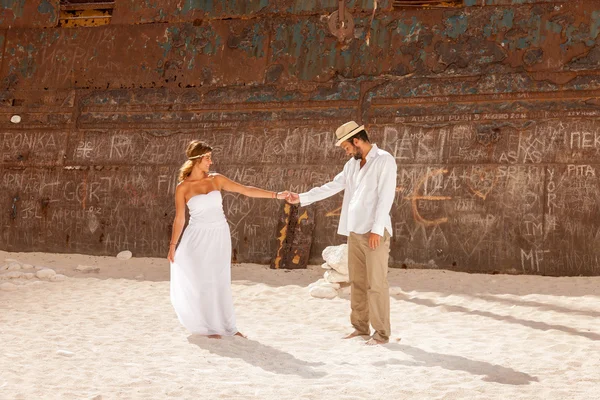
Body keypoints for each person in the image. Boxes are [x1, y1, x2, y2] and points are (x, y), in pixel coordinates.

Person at [288, 121, 397, 345]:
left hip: (375, 231)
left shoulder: (384, 160)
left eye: (346, 147)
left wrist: (377, 229)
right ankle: (360, 327)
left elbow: (386, 197)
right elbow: (332, 186)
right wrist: (301, 198)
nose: (346, 151)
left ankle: (382, 333)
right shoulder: (351, 165)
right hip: (355, 232)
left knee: (376, 284)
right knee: (357, 281)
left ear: (356, 141)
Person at [168, 140, 289, 339]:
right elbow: (179, 218)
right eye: (207, 158)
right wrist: (173, 246)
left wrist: (277, 195)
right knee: (202, 281)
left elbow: (246, 190)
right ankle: (207, 327)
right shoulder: (183, 188)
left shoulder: (216, 180)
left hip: (219, 235)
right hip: (196, 237)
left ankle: (228, 326)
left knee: (220, 279)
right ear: (196, 160)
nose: (211, 162)